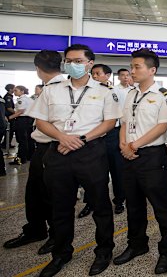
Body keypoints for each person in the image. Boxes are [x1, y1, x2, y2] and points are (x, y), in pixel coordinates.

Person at [27, 44, 119, 276]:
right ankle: (60, 253)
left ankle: (104, 250)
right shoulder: (52, 89)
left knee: (100, 204)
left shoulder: (105, 91)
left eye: (78, 61)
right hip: (59, 151)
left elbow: (109, 123)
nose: (72, 65)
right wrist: (62, 138)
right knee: (60, 206)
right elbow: (40, 121)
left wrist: (82, 139)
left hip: (91, 151)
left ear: (89, 63)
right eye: (69, 61)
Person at [113, 49, 167, 274]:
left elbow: (162, 126)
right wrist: (123, 145)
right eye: (132, 66)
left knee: (162, 207)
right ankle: (137, 244)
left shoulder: (163, 94)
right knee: (134, 204)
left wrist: (133, 145)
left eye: (137, 67)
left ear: (152, 70)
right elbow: (124, 122)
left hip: (151, 156)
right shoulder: (130, 93)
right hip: (128, 156)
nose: (132, 71)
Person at [3, 50, 65, 254]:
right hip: (44, 147)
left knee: (50, 195)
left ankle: (56, 235)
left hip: (53, 147)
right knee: (35, 193)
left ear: (38, 69)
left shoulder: (56, 90)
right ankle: (36, 229)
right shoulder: (52, 88)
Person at [89, 64, 126, 216]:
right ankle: (91, 202)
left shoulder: (116, 91)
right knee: (92, 171)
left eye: (98, 73)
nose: (95, 76)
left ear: (108, 75)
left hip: (112, 134)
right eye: (93, 74)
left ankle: (119, 200)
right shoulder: (87, 91)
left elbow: (122, 115)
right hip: (92, 134)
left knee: (116, 170)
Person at [7, 85, 35, 166]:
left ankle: (21, 158)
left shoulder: (21, 100)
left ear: (22, 91)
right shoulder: (29, 99)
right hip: (29, 120)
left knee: (22, 140)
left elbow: (20, 112)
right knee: (29, 139)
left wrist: (9, 118)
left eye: (16, 90)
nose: (14, 92)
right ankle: (29, 156)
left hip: (22, 120)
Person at [2, 84, 16, 149]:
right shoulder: (8, 97)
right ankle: (6, 144)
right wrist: (16, 113)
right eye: (14, 88)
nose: (15, 89)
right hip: (9, 117)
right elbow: (9, 108)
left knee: (9, 132)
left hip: (10, 116)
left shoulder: (10, 96)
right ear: (10, 89)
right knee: (9, 131)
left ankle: (7, 144)